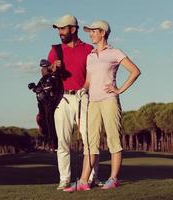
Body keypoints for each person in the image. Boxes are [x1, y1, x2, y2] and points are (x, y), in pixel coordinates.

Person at [64, 20, 141, 192]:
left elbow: (135, 71)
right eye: (89, 32)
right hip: (93, 102)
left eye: (93, 31)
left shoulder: (115, 52)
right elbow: (89, 80)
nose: (90, 34)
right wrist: (82, 90)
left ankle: (113, 179)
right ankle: (83, 181)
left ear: (103, 32)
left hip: (109, 101)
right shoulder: (90, 56)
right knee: (90, 143)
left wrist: (119, 89)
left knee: (113, 140)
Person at [47, 15, 101, 190]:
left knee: (89, 139)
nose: (60, 32)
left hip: (84, 97)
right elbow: (45, 72)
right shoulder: (56, 49)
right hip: (61, 98)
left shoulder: (88, 49)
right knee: (62, 141)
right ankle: (65, 179)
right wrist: (52, 68)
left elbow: (95, 74)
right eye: (58, 29)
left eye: (63, 29)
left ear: (73, 29)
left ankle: (90, 177)